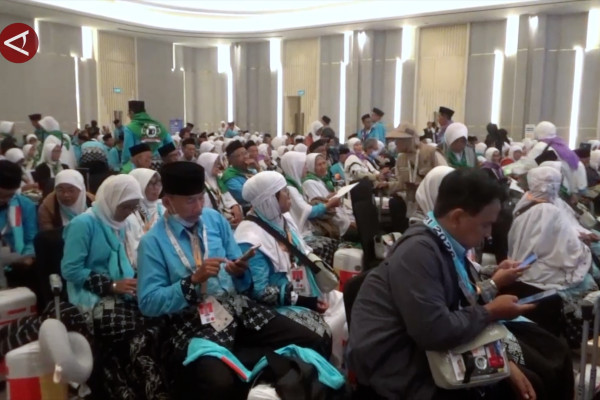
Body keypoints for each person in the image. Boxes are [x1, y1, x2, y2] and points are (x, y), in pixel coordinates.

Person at [348, 168, 552, 399]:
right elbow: (435, 331)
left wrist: (492, 289)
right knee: (526, 381)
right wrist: (490, 312)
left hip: (426, 348)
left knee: (538, 365)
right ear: (457, 217)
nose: (488, 234)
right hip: (403, 365)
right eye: (485, 225)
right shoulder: (419, 252)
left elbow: (458, 300)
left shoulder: (444, 243)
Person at [137, 162, 331, 399]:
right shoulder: (152, 242)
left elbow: (238, 270)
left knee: (311, 339)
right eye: (190, 201)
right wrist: (192, 281)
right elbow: (148, 302)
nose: (199, 207)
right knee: (219, 382)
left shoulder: (214, 220)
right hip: (194, 321)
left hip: (237, 307)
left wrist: (239, 271)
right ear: (167, 202)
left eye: (201, 198)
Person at [235, 171, 346, 367]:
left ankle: (343, 364)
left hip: (305, 288)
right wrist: (305, 301)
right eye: (284, 192)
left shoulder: (282, 218)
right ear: (270, 200)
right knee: (323, 330)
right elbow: (260, 292)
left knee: (347, 303)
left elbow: (301, 249)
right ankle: (325, 371)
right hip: (281, 304)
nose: (290, 196)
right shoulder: (250, 238)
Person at [507, 166, 598, 343]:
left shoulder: (524, 204)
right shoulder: (551, 210)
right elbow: (568, 251)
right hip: (546, 274)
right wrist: (584, 247)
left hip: (522, 269)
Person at [280, 151, 341, 265]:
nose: (307, 168)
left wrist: (326, 199)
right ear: (295, 167)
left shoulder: (296, 185)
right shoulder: (290, 189)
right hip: (301, 233)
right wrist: (328, 204)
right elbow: (308, 211)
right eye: (304, 165)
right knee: (331, 244)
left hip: (307, 229)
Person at [0, 160, 38, 283]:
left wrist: (27, 257)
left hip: (17, 263)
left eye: (10, 195)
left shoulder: (25, 205)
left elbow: (31, 239)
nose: (4, 200)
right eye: (1, 195)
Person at [528, 121, 586, 202]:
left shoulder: (540, 146)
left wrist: (510, 170)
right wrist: (575, 191)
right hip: (566, 191)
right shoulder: (563, 145)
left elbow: (527, 166)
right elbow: (578, 166)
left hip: (547, 191)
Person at [303, 153, 352, 237]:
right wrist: (348, 223)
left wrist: (330, 196)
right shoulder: (309, 183)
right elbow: (320, 206)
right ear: (311, 167)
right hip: (333, 225)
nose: (323, 167)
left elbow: (324, 199)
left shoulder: (320, 180)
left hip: (339, 220)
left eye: (324, 163)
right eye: (319, 165)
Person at [125, 168, 165, 269]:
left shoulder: (163, 208)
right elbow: (133, 255)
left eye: (158, 183)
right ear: (139, 185)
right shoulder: (129, 214)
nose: (156, 188)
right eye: (151, 184)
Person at [196, 153, 243, 228]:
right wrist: (225, 223)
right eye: (215, 163)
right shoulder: (201, 187)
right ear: (207, 165)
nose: (218, 166)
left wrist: (235, 206)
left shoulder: (217, 180)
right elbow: (208, 214)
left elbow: (227, 196)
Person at [121, 100, 173, 165]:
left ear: (131, 112)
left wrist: (124, 165)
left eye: (128, 114)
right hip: (158, 164)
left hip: (139, 165)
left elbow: (127, 153)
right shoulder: (160, 126)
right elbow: (171, 146)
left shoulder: (130, 128)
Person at [218, 140, 255, 211]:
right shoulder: (230, 177)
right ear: (231, 160)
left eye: (245, 153)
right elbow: (245, 196)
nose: (245, 157)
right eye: (240, 155)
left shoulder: (252, 170)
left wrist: (258, 168)